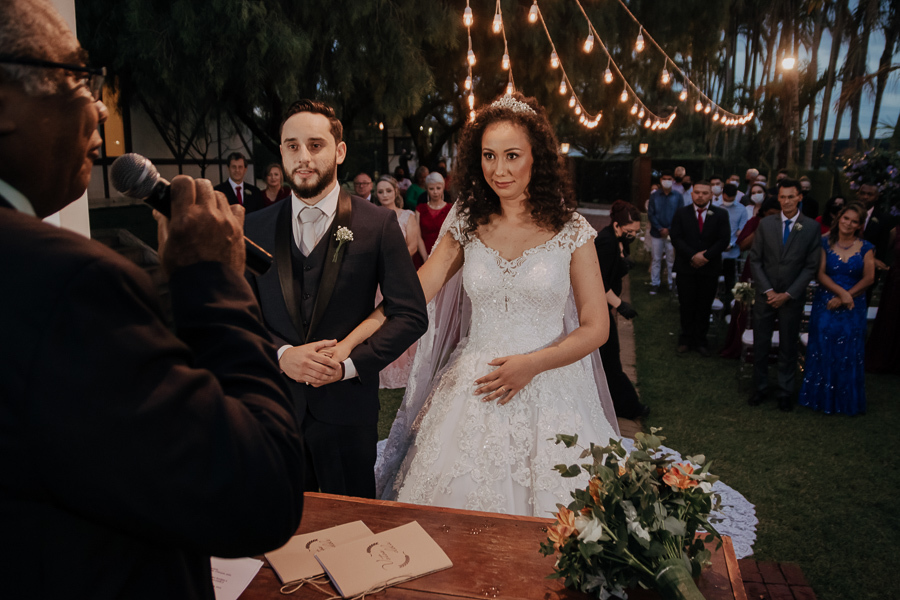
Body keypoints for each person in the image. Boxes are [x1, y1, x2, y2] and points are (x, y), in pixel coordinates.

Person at [0, 1, 306, 596]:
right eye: (77, 78)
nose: (99, 106)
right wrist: (216, 282)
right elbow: (257, 490)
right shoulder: (61, 284)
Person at [372, 93, 620, 516]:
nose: (498, 170)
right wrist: (348, 336)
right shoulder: (467, 224)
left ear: (536, 158)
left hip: (553, 386)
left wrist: (533, 363)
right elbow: (414, 292)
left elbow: (596, 326)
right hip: (475, 386)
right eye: (488, 155)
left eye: (511, 156)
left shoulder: (571, 229)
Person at [243, 100, 428, 498]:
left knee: (354, 531)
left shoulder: (377, 225)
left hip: (347, 412)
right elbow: (240, 315)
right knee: (281, 530)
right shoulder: (252, 226)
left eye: (315, 145)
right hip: (275, 410)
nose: (303, 157)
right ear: (280, 153)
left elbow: (410, 313)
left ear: (339, 151)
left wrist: (348, 365)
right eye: (292, 146)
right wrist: (281, 355)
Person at [748, 179, 823, 411]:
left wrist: (788, 294)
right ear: (778, 198)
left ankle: (785, 391)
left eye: (791, 196)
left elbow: (811, 266)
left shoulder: (811, 227)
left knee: (788, 346)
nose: (786, 201)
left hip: (792, 297)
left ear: (800, 197)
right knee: (761, 344)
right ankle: (760, 388)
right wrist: (769, 291)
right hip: (765, 295)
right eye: (782, 197)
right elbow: (755, 259)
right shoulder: (766, 224)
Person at [798, 203, 874, 415]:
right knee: (823, 346)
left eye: (854, 221)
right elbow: (820, 274)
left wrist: (847, 297)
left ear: (859, 225)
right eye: (845, 218)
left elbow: (869, 278)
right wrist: (841, 293)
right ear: (839, 218)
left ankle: (846, 399)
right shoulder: (823, 243)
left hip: (853, 304)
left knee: (849, 349)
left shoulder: (867, 247)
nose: (848, 224)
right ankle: (819, 397)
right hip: (826, 301)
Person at [595, 200, 650, 418]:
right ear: (617, 226)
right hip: (599, 307)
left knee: (607, 361)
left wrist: (624, 262)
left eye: (636, 231)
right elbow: (597, 283)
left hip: (606, 307)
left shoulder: (619, 240)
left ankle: (617, 403)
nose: (633, 235)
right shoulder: (606, 243)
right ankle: (630, 407)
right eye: (630, 231)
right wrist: (620, 304)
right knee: (610, 361)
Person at [670, 181, 731, 355]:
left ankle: (700, 340)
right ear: (692, 194)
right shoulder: (682, 213)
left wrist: (705, 256)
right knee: (686, 304)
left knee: (704, 305)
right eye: (697, 192)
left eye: (705, 193)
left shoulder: (720, 214)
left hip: (709, 268)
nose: (700, 196)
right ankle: (686, 339)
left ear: (711, 195)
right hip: (686, 268)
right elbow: (676, 237)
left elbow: (723, 240)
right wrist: (692, 255)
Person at [866, 223, 900, 374]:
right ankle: (886, 358)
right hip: (897, 282)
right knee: (892, 319)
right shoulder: (895, 231)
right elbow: (882, 254)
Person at [647, 169, 681, 294]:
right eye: (664, 179)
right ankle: (655, 283)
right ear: (661, 180)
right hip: (657, 233)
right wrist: (660, 228)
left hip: (672, 234)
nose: (667, 181)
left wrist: (670, 229)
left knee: (671, 259)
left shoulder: (678, 196)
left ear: (672, 181)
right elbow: (651, 214)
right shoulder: (654, 196)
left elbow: (680, 214)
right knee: (656, 258)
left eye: (669, 179)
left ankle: (671, 284)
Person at [720, 183, 750, 306]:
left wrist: (731, 244)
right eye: (726, 199)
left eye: (731, 199)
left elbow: (741, 231)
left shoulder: (741, 209)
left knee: (731, 282)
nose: (729, 201)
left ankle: (729, 308)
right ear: (723, 195)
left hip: (732, 252)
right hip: (716, 252)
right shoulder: (715, 207)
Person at [416, 171, 452, 262]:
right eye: (431, 189)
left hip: (445, 255)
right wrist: (425, 257)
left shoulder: (451, 209)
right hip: (423, 255)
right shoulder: (420, 209)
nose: (435, 192)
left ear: (443, 188)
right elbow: (417, 235)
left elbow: (451, 236)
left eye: (438, 188)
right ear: (427, 189)